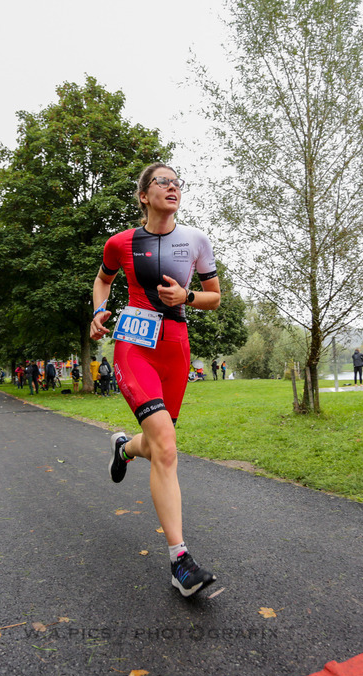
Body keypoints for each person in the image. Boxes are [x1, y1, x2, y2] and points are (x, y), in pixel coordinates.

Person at [90, 162, 221, 597]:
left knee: (157, 443)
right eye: (162, 181)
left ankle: (124, 447)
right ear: (144, 195)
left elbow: (215, 298)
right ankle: (180, 562)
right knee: (166, 443)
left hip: (176, 347)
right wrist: (98, 311)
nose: (173, 187)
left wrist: (187, 297)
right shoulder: (120, 243)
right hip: (135, 343)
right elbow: (103, 280)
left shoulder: (196, 240)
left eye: (177, 182)